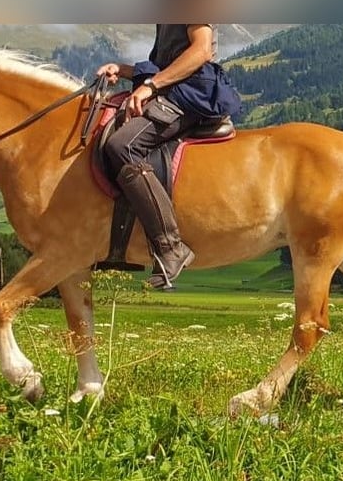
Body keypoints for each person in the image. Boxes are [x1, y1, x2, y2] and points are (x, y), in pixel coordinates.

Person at [97, 24, 240, 290]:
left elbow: (201, 51)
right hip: (173, 89)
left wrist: (150, 86)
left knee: (122, 146)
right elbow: (165, 64)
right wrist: (124, 70)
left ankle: (171, 247)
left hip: (192, 94)